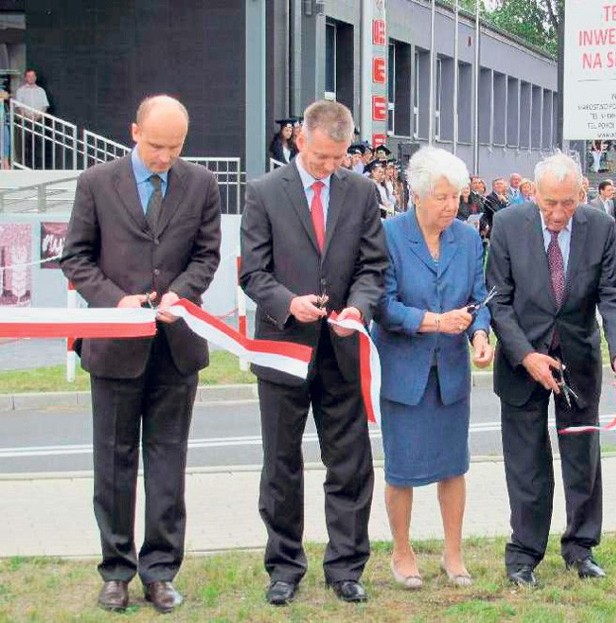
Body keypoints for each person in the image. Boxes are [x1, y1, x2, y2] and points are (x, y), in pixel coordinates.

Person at [60, 95, 222, 614]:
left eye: (174, 147)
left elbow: (207, 255)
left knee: (167, 464)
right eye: (155, 146)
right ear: (134, 132)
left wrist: (182, 292)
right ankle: (115, 571)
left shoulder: (201, 183)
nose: (164, 157)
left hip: (175, 348)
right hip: (113, 347)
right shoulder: (95, 182)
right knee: (113, 464)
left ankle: (160, 572)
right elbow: (76, 258)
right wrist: (116, 302)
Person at [239, 99, 388, 606]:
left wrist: (359, 309)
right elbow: (252, 272)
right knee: (281, 464)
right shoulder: (263, 193)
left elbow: (373, 267)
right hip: (282, 347)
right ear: (301, 139)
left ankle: (346, 567)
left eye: (339, 158)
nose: (329, 167)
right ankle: (284, 566)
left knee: (349, 462)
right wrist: (288, 302)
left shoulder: (363, 192)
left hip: (341, 349)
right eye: (322, 156)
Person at [486, 152, 616, 588]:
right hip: (523, 362)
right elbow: (498, 299)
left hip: (578, 359)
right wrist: (525, 355)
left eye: (567, 203)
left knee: (581, 457)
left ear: (581, 194)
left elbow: (611, 294)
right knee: (526, 460)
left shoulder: (601, 227)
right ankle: (524, 552)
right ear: (533, 194)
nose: (557, 213)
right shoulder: (510, 225)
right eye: (549, 202)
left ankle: (581, 547)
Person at [372, 146, 494, 590]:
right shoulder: (388, 235)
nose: (451, 206)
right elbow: (382, 305)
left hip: (451, 376)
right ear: (417, 195)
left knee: (452, 466)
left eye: (456, 197)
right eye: (441, 197)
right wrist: (433, 322)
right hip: (404, 372)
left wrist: (480, 336)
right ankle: (402, 553)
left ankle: (453, 553)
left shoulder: (467, 237)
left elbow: (478, 299)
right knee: (401, 468)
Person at [14, 68, 50, 168]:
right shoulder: (21, 90)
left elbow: (44, 106)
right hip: (25, 121)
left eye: (33, 76)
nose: (31, 78)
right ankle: (25, 167)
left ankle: (38, 167)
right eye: (29, 76)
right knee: (25, 145)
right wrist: (27, 117)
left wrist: (37, 117)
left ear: (35, 78)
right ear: (26, 78)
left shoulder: (41, 90)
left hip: (38, 122)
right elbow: (19, 106)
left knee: (39, 145)